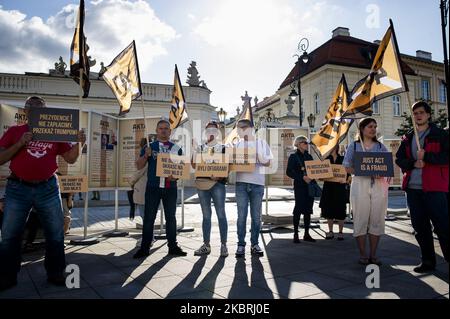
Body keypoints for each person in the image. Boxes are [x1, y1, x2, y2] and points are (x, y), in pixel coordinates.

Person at [0, 96, 85, 291]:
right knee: (10, 234)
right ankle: (6, 276)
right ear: (25, 111)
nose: (36, 111)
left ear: (46, 112)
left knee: (55, 232)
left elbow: (70, 159)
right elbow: (0, 158)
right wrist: (20, 143)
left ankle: (55, 273)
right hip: (18, 187)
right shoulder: (15, 131)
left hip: (47, 187)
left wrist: (79, 144)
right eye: (32, 107)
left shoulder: (54, 132)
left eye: (40, 108)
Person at [395, 101, 449, 273]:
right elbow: (399, 159)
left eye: (421, 112)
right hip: (413, 189)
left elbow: (446, 157)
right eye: (415, 113)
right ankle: (427, 261)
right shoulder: (409, 137)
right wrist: (413, 163)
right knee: (420, 228)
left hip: (435, 188)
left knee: (443, 226)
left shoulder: (440, 134)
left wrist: (427, 156)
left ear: (428, 115)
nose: (418, 116)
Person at [133, 119, 187, 258]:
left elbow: (180, 169)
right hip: (153, 187)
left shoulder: (176, 148)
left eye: (166, 128)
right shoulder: (150, 146)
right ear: (157, 131)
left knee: (171, 217)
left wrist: (175, 177)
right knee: (149, 218)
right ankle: (145, 247)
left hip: (170, 188)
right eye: (161, 128)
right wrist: (146, 155)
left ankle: (173, 246)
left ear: (170, 131)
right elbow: (139, 166)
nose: (163, 130)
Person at [343, 118, 389, 266]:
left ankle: (373, 254)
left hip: (378, 185)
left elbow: (387, 166)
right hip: (359, 184)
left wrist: (380, 172)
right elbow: (346, 167)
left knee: (377, 219)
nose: (373, 129)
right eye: (370, 126)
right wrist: (362, 169)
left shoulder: (381, 146)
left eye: (375, 127)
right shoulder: (354, 146)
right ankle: (363, 254)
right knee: (360, 219)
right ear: (362, 129)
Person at [234, 119, 273, 258]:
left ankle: (255, 243)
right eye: (239, 128)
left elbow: (268, 162)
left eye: (243, 127)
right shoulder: (236, 144)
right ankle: (240, 244)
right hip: (241, 184)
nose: (240, 130)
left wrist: (256, 157)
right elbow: (229, 162)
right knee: (241, 216)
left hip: (257, 184)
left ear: (251, 128)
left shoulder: (261, 143)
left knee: (256, 217)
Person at [191, 121, 228, 257]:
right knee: (206, 216)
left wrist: (219, 176)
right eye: (208, 130)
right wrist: (194, 150)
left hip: (218, 184)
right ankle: (206, 245)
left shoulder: (224, 148)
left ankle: (223, 245)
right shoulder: (200, 147)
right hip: (202, 184)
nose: (211, 132)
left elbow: (227, 167)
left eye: (213, 129)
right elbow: (194, 165)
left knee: (221, 215)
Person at [286, 135, 317, 243]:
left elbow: (314, 170)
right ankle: (295, 234)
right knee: (298, 209)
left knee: (308, 209)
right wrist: (302, 177)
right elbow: (289, 172)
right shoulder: (293, 157)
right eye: (305, 143)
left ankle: (306, 234)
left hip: (310, 186)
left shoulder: (309, 156)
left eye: (307, 143)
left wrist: (314, 176)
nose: (307, 144)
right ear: (298, 144)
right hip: (299, 186)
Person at [319, 146, 349, 241]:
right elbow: (321, 175)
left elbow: (347, 174)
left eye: (334, 147)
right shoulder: (326, 160)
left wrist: (345, 180)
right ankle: (330, 231)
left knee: (341, 210)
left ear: (337, 148)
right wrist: (322, 177)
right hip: (328, 188)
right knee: (329, 210)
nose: (332, 149)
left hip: (340, 188)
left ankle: (340, 232)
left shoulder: (342, 159)